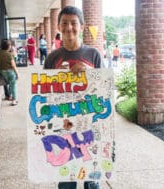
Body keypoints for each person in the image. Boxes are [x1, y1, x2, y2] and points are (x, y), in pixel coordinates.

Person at [44, 6, 101, 189]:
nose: (69, 28)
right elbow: (44, 95)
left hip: (90, 124)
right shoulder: (52, 59)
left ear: (82, 26)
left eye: (74, 23)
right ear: (59, 27)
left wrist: (91, 73)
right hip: (63, 126)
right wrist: (55, 79)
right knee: (66, 181)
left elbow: (105, 90)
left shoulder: (93, 55)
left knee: (91, 180)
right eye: (64, 23)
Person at [0, 39, 19, 106]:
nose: (10, 46)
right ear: (8, 46)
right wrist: (17, 74)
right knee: (13, 85)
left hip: (3, 72)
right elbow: (13, 65)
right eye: (9, 45)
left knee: (10, 84)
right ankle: (14, 100)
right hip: (10, 72)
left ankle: (9, 96)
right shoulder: (9, 54)